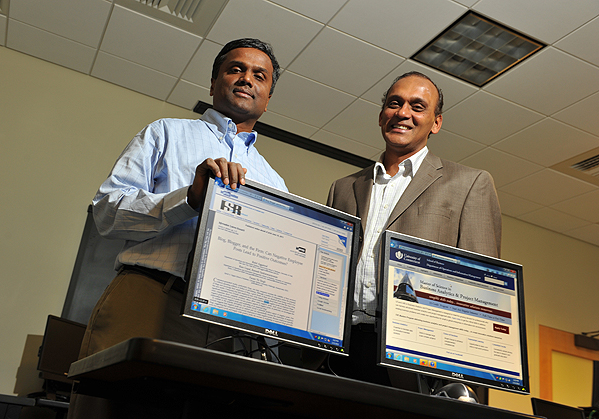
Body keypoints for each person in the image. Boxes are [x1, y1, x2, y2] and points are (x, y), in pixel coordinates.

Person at [68, 38, 286, 418]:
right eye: (235, 69)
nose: (246, 79)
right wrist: (188, 198)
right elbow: (106, 212)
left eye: (259, 75)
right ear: (214, 82)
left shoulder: (275, 182)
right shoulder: (164, 133)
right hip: (148, 298)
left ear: (268, 97)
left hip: (225, 328)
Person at [322, 71, 502, 388]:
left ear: (436, 123)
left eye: (417, 106)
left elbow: (482, 290)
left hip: (414, 360)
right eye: (395, 103)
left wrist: (465, 379)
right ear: (381, 116)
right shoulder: (343, 187)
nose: (403, 113)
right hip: (336, 348)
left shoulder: (470, 183)